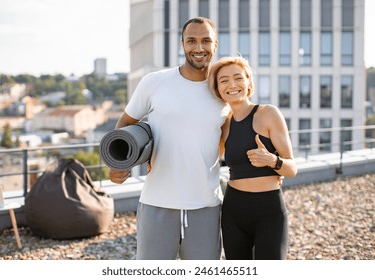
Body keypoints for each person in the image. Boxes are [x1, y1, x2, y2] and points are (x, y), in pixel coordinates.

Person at [108, 17, 230, 260]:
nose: (198, 48)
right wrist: (119, 165)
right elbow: (125, 124)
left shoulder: (223, 90)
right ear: (182, 44)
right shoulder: (155, 82)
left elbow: (224, 142)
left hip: (205, 205)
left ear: (215, 45)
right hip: (157, 202)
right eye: (191, 41)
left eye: (206, 41)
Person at [208, 56, 297, 260]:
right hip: (233, 210)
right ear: (218, 89)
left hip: (269, 209)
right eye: (223, 80)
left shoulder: (268, 113)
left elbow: (292, 169)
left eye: (238, 77)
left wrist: (272, 161)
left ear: (248, 82)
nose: (232, 84)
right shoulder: (223, 124)